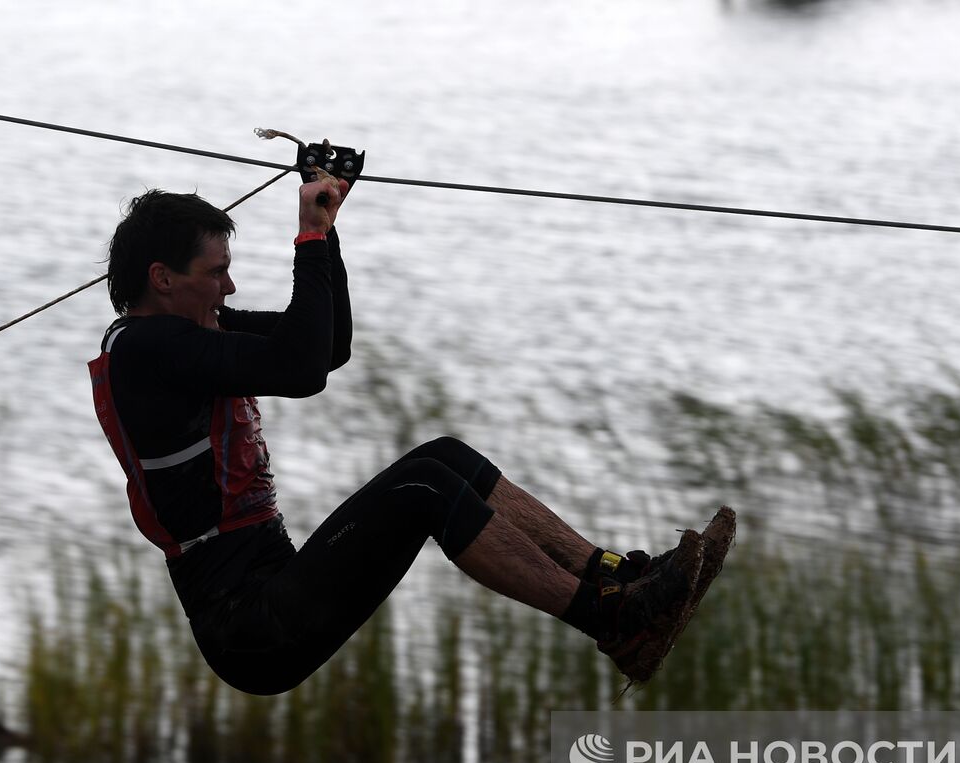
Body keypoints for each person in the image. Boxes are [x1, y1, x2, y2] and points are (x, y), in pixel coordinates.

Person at [89, 174, 734, 697]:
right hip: (250, 628)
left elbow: (328, 346)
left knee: (444, 458)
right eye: (216, 272)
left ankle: (615, 579)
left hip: (274, 588)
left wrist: (327, 232)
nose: (229, 286)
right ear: (162, 278)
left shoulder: (192, 331)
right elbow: (301, 368)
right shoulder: (146, 349)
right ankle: (614, 623)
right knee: (424, 489)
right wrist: (307, 236)